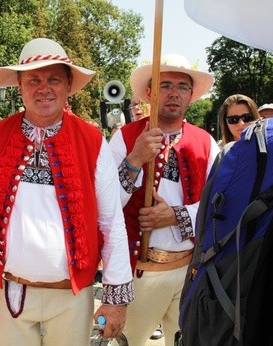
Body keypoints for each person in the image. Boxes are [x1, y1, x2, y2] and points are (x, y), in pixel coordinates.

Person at [0, 37, 133, 346]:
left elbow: (110, 221)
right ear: (19, 85)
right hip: (7, 292)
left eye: (53, 78)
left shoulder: (93, 141)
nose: (43, 88)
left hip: (73, 295)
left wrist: (115, 296)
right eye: (34, 79)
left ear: (68, 85)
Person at [108, 53, 220, 346]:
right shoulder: (124, 137)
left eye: (182, 87)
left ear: (191, 96)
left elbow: (220, 203)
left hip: (188, 271)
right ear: (149, 93)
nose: (173, 93)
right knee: (130, 341)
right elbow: (106, 203)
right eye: (165, 85)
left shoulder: (206, 143)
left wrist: (176, 215)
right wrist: (134, 160)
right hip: (139, 270)